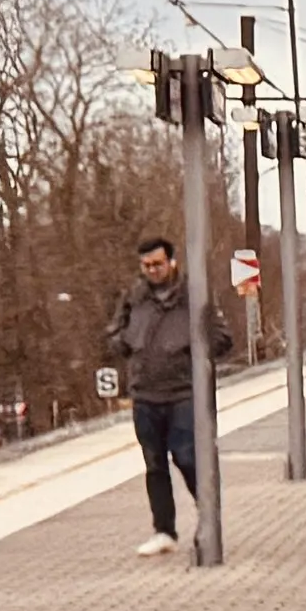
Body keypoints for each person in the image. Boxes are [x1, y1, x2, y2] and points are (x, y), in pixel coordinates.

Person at [105, 233, 233, 556]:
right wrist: (121, 343)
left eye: (158, 264)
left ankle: (208, 518)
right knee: (154, 463)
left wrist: (194, 349)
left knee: (188, 456)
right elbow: (115, 332)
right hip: (145, 393)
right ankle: (164, 530)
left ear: (172, 262)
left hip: (183, 393)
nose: (153, 270)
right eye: (146, 265)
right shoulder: (134, 298)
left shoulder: (195, 296)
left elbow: (222, 337)